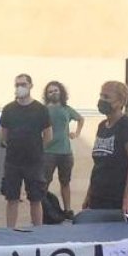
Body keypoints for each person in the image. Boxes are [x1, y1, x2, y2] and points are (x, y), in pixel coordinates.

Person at [0, 73, 52, 228]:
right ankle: (10, 231)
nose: (20, 87)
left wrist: (37, 149)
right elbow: (3, 134)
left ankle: (38, 232)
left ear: (30, 86)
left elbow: (48, 135)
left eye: (23, 84)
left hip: (34, 162)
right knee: (11, 198)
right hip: (13, 162)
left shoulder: (40, 109)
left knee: (36, 199)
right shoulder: (8, 109)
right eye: (17, 85)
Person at [83, 81, 128, 214]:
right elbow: (98, 164)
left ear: (120, 102)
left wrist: (127, 198)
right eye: (101, 96)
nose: (102, 100)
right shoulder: (102, 126)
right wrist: (89, 194)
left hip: (117, 195)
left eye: (107, 97)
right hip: (98, 194)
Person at [42, 80, 83, 219]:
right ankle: (43, 210)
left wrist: (76, 133)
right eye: (50, 91)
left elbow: (80, 119)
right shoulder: (43, 110)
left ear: (61, 92)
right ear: (47, 95)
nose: (53, 93)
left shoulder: (67, 109)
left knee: (65, 182)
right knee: (44, 182)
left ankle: (67, 210)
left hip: (65, 152)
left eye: (56, 90)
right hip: (48, 152)